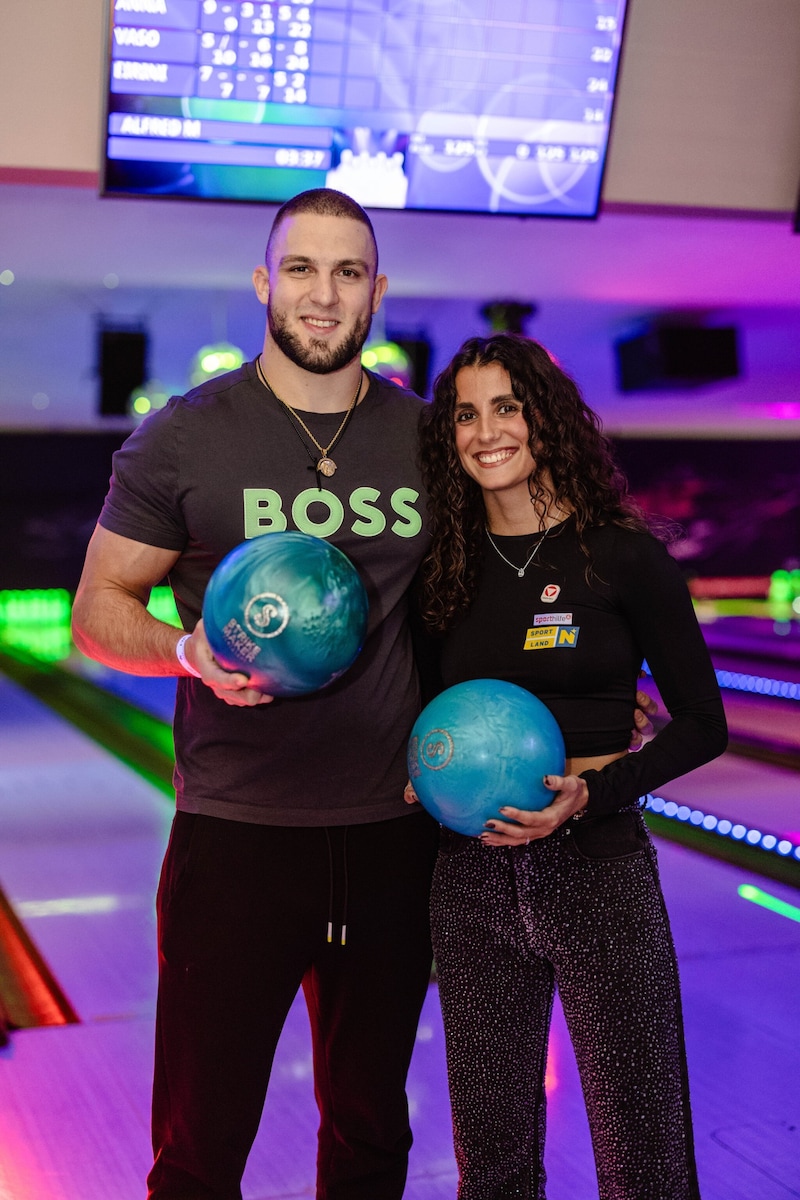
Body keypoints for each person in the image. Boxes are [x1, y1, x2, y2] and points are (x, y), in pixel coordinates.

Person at [71, 188, 441, 1200]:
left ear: (375, 293)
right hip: (235, 837)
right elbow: (97, 608)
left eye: (348, 272)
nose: (323, 295)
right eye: (301, 269)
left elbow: (483, 608)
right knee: (201, 1141)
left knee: (369, 1130)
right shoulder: (185, 437)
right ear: (262, 283)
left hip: (390, 835)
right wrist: (184, 651)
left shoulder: (427, 438)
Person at [408, 333, 728, 1200]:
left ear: (545, 417)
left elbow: (705, 723)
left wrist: (594, 794)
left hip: (599, 874)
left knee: (644, 1151)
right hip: (470, 881)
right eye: (466, 415)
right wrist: (418, 767)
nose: (487, 432)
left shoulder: (620, 555)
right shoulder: (446, 567)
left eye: (507, 406)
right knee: (493, 1155)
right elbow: (423, 714)